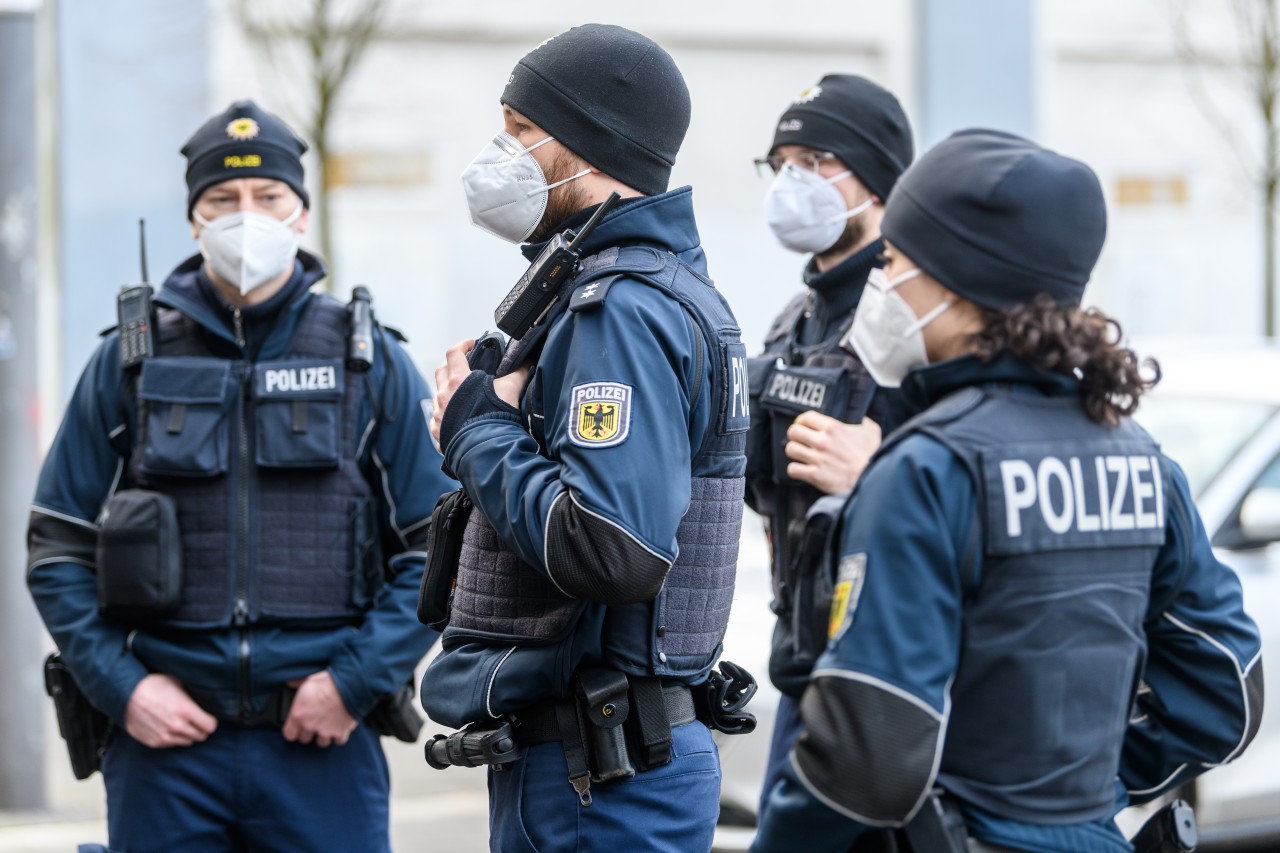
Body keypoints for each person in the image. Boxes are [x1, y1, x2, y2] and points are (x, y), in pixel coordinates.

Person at [751, 129, 1264, 853]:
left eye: (894, 261)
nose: (881, 285)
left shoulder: (926, 470)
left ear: (957, 282)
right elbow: (1225, 693)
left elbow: (866, 747)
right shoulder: (1146, 463)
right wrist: (1076, 797)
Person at [26, 100, 453, 853]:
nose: (244, 216)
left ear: (301, 214)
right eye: (222, 200)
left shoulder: (368, 359)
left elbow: (437, 545)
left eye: (268, 198)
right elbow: (56, 546)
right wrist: (122, 689)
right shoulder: (130, 358)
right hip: (165, 744)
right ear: (193, 220)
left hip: (321, 736)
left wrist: (354, 683)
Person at [421, 23, 751, 853]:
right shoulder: (632, 292)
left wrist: (475, 428)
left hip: (597, 777)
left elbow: (615, 547)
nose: (502, 152)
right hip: (605, 763)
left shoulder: (624, 311)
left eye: (520, 130)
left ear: (587, 142)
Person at [745, 74, 915, 813]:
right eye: (782, 161)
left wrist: (874, 475)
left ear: (876, 181)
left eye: (815, 160)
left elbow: (972, 485)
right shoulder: (791, 323)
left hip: (892, 673)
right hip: (800, 661)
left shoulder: (916, 319)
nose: (793, 181)